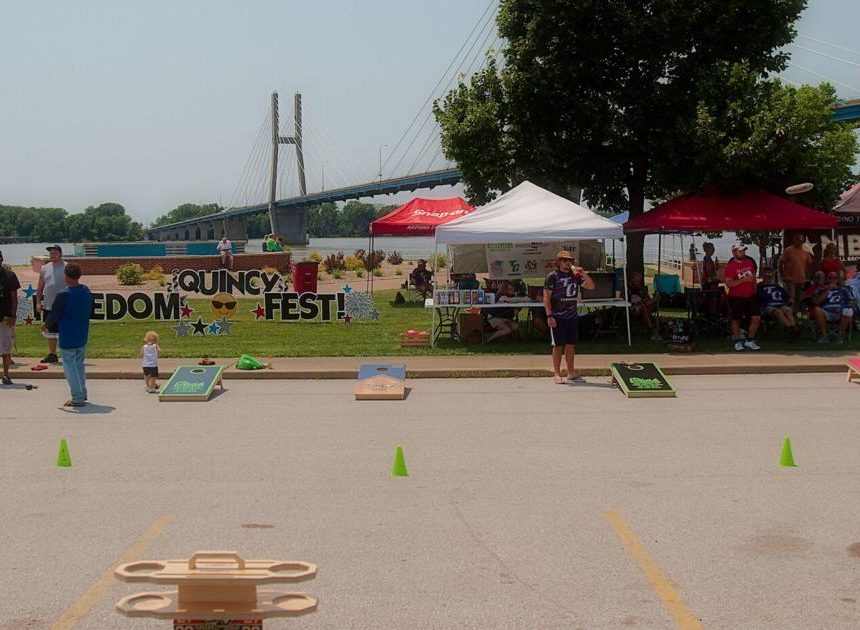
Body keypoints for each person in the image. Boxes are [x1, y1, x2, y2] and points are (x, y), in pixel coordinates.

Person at [42, 263, 93, 407]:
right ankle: (82, 392)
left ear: (66, 276)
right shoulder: (85, 290)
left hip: (68, 334)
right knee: (79, 364)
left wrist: (45, 324)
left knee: (69, 367)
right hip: (82, 332)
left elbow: (55, 314)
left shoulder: (63, 294)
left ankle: (77, 397)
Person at [543, 250, 595, 384]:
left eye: (570, 260)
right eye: (565, 260)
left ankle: (571, 372)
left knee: (571, 345)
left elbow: (591, 286)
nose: (568, 263)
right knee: (558, 346)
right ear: (559, 262)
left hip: (572, 315)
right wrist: (549, 315)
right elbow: (546, 297)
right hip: (558, 316)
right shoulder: (553, 276)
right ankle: (557, 373)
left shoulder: (575, 276)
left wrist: (583, 273)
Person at [724, 242, 761, 351]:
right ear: (734, 252)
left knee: (756, 317)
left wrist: (754, 289)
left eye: (744, 250)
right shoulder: (731, 267)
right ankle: (737, 341)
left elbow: (753, 278)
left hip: (751, 295)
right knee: (736, 319)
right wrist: (742, 280)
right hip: (737, 296)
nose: (743, 252)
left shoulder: (749, 263)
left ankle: (750, 340)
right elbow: (729, 284)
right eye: (740, 251)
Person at [35, 244, 67, 364]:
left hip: (64, 305)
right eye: (50, 253)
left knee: (64, 330)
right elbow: (39, 287)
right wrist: (38, 302)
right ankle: (52, 354)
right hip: (48, 304)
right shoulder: (45, 268)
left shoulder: (67, 267)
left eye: (54, 253)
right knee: (50, 331)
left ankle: (67, 354)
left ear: (60, 254)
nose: (52, 255)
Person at [811, 271, 854, 343]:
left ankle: (840, 336)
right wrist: (828, 290)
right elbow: (816, 302)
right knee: (817, 310)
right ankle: (824, 336)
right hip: (827, 313)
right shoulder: (821, 290)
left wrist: (842, 308)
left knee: (848, 310)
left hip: (841, 312)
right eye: (830, 278)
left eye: (835, 278)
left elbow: (852, 302)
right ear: (827, 279)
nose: (832, 279)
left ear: (837, 279)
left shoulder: (844, 290)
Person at [0, 250, 21, 385]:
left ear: (1, 258)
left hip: (6, 316)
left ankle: (6, 374)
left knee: (6, 347)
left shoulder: (10, 275)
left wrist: (13, 315)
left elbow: (14, 298)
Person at [757, 268, 798, 336]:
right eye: (766, 274)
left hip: (781, 304)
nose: (768, 276)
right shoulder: (760, 286)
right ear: (763, 275)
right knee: (778, 312)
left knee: (788, 311)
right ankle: (792, 329)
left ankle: (792, 329)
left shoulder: (777, 286)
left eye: (770, 274)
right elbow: (759, 298)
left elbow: (786, 296)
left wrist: (790, 299)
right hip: (769, 306)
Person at [779, 233, 812, 307]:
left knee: (800, 299)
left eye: (801, 239)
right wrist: (784, 275)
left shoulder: (806, 252)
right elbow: (781, 264)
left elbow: (809, 264)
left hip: (801, 280)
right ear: (794, 240)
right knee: (790, 299)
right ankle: (790, 314)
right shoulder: (788, 250)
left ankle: (799, 315)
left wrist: (806, 275)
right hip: (791, 280)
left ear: (803, 240)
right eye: (797, 239)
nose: (799, 241)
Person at [626, 271, 659, 340]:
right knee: (645, 307)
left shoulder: (642, 289)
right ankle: (651, 329)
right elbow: (623, 300)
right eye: (637, 280)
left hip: (643, 305)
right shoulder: (627, 289)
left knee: (646, 306)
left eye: (639, 281)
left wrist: (645, 295)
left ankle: (650, 329)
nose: (638, 282)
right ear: (632, 279)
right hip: (633, 308)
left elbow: (646, 298)